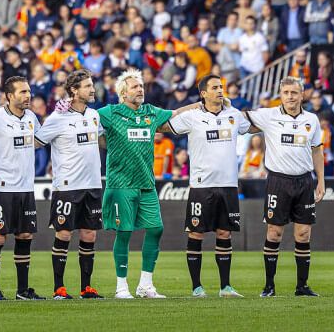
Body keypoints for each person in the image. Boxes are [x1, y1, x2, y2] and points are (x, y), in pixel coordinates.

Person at [98, 68, 180, 299]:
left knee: (156, 228)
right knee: (124, 233)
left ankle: (145, 285)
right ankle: (121, 287)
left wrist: (202, 105)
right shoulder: (110, 112)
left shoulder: (150, 112)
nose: (140, 89)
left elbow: (176, 113)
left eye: (141, 86)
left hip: (146, 182)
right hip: (121, 182)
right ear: (123, 93)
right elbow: (87, 119)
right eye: (135, 86)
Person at [166, 74, 251, 298]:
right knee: (196, 233)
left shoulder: (234, 115)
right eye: (214, 87)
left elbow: (253, 126)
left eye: (221, 87)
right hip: (202, 185)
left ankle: (226, 287)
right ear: (203, 93)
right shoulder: (192, 117)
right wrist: (188, 106)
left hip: (229, 185)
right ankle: (197, 287)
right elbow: (166, 125)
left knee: (225, 233)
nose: (220, 90)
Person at [245, 77, 324, 297]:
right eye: (286, 92)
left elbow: (317, 151)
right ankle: (269, 286)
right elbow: (241, 117)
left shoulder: (312, 120)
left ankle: (302, 286)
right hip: (278, 181)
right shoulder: (269, 115)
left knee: (303, 233)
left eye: (294, 92)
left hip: (304, 181)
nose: (290, 96)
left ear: (302, 94)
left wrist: (321, 181)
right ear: (281, 94)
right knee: (274, 231)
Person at [0, 76, 46, 301]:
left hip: (26, 188)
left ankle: (23, 291)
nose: (28, 96)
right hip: (2, 188)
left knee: (25, 235)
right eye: (22, 92)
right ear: (10, 96)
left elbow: (39, 141)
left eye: (28, 91)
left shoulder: (32, 117)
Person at [34, 69, 104, 299]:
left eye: (92, 85)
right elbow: (36, 142)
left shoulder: (94, 115)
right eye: (87, 86)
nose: (92, 89)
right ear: (74, 91)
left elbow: (101, 139)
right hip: (67, 186)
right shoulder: (57, 119)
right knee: (64, 234)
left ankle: (86, 287)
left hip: (92, 185)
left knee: (89, 236)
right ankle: (59, 288)